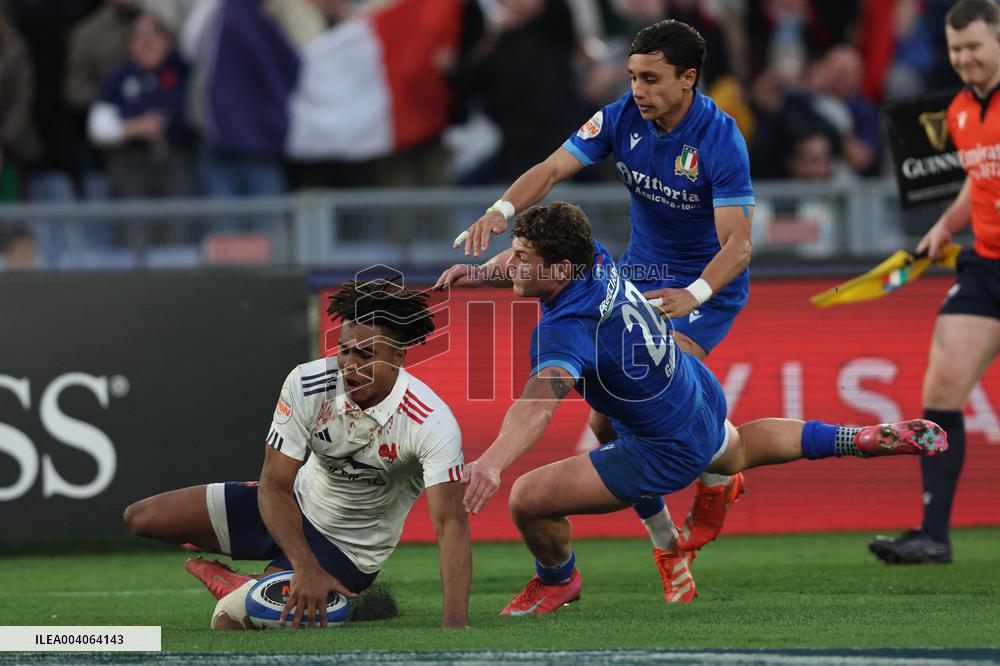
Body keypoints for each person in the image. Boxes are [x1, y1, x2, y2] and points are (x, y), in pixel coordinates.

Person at [455, 201, 947, 613]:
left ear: (559, 269)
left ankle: (562, 580)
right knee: (723, 446)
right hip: (693, 393)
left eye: (521, 256)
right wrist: (481, 273)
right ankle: (852, 439)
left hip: (662, 447)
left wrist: (494, 462)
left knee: (526, 499)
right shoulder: (594, 258)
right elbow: (526, 265)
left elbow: (536, 408)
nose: (511, 264)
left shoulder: (562, 330)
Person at [443, 19, 754, 600]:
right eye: (634, 76)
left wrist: (696, 296)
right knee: (605, 421)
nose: (638, 89)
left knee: (654, 400)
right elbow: (553, 168)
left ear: (688, 79)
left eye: (652, 79)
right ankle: (667, 542)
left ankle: (715, 477)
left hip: (702, 288)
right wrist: (501, 211)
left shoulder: (720, 138)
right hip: (641, 273)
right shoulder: (621, 119)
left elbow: (739, 244)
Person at [123, 279, 471, 629]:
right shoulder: (307, 384)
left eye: (365, 355)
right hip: (291, 507)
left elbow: (451, 526)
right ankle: (266, 573)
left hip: (345, 552)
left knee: (228, 620)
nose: (350, 365)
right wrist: (304, 566)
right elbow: (274, 485)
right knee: (141, 518)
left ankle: (246, 586)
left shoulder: (430, 422)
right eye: (344, 350)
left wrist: (454, 626)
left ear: (398, 357)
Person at [868, 0, 1000, 566]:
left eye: (974, 46)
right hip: (986, 265)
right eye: (955, 48)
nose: (964, 58)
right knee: (941, 388)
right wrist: (946, 225)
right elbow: (979, 177)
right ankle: (933, 535)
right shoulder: (960, 112)